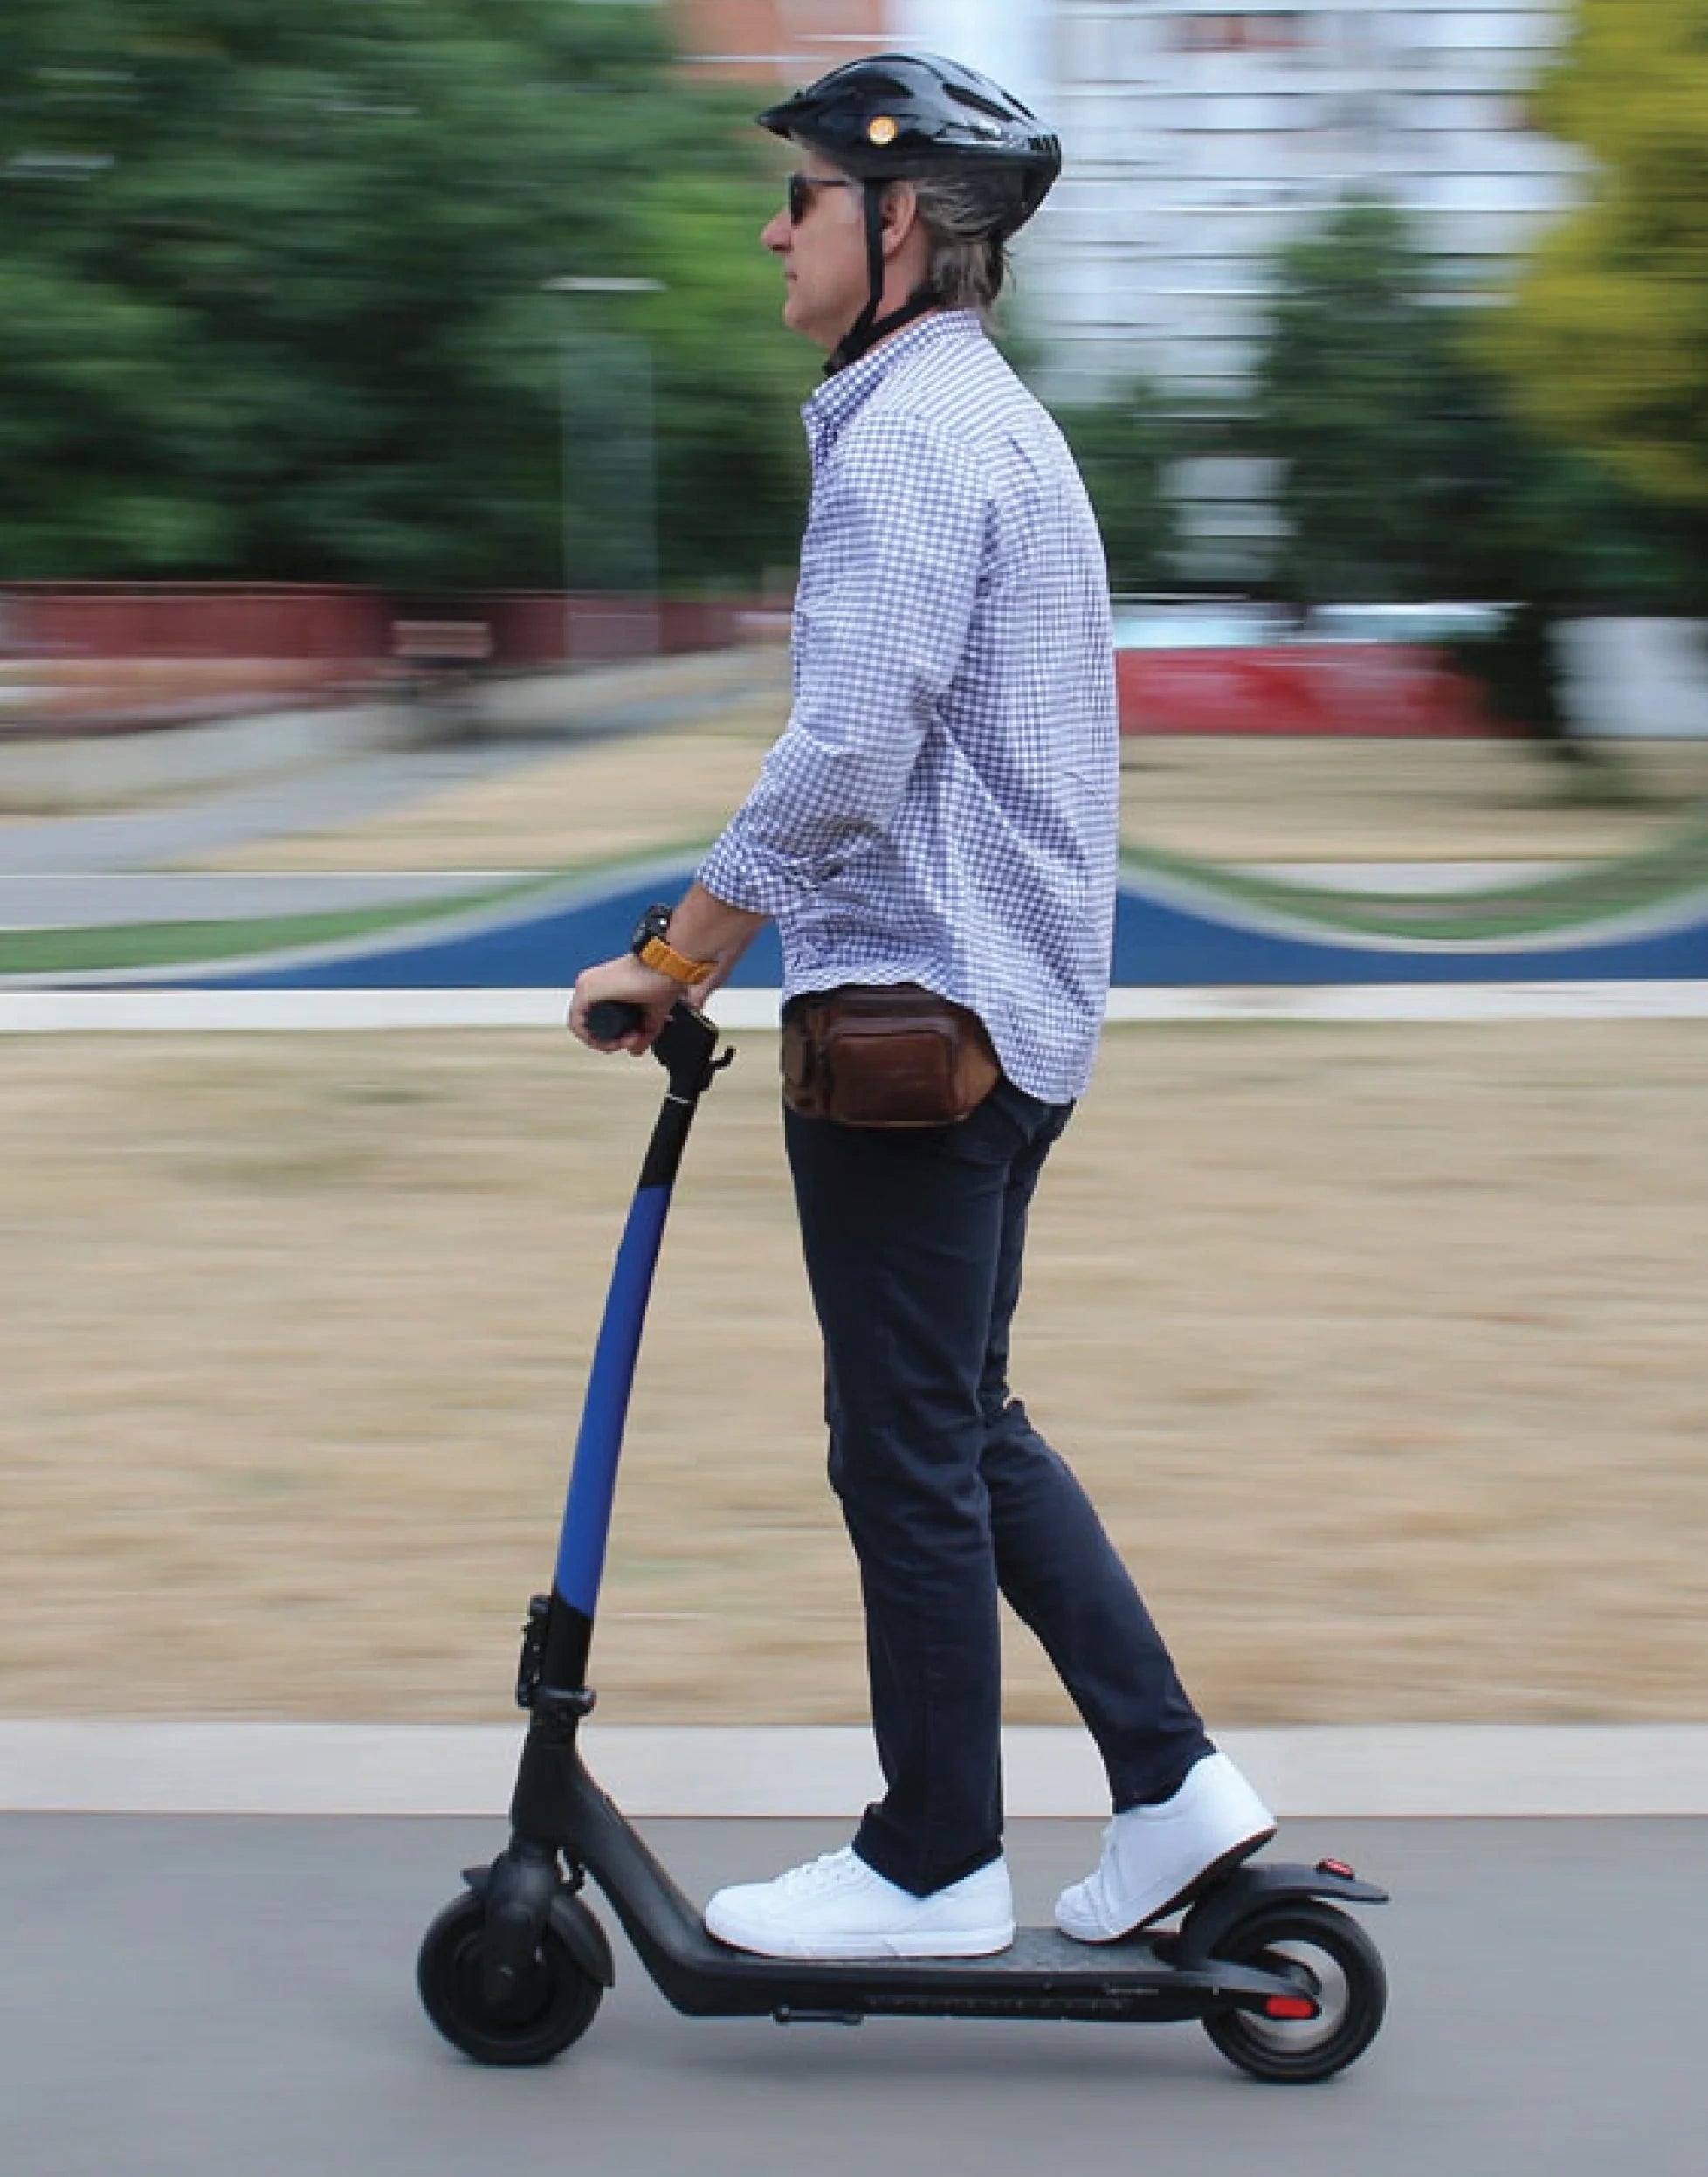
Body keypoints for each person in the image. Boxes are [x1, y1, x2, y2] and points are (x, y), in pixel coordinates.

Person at [568, 52, 1273, 1961]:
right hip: (1003, 1010)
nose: (772, 225)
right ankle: (1178, 1793)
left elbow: (853, 743)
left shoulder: (909, 436)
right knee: (960, 1422)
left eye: (800, 194)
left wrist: (681, 948)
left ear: (900, 224)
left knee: (905, 1444)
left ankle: (934, 1857)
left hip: (919, 1024)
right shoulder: (975, 415)